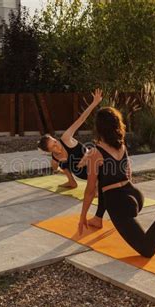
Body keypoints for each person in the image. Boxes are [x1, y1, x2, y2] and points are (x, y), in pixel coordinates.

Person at [78, 107, 155, 258]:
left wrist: (82, 216)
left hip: (119, 203)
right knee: (104, 184)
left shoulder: (95, 153)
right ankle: (98, 219)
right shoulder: (121, 146)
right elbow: (127, 173)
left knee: (146, 249)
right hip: (134, 194)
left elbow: (90, 190)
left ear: (98, 128)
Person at [37, 88, 106, 224]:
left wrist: (94, 103)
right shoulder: (55, 158)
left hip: (93, 168)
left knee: (90, 154)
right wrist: (59, 167)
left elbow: (81, 119)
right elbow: (55, 169)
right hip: (81, 174)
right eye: (53, 147)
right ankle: (71, 182)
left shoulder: (66, 138)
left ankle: (98, 185)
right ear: (49, 151)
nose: (57, 145)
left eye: (55, 141)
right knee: (63, 162)